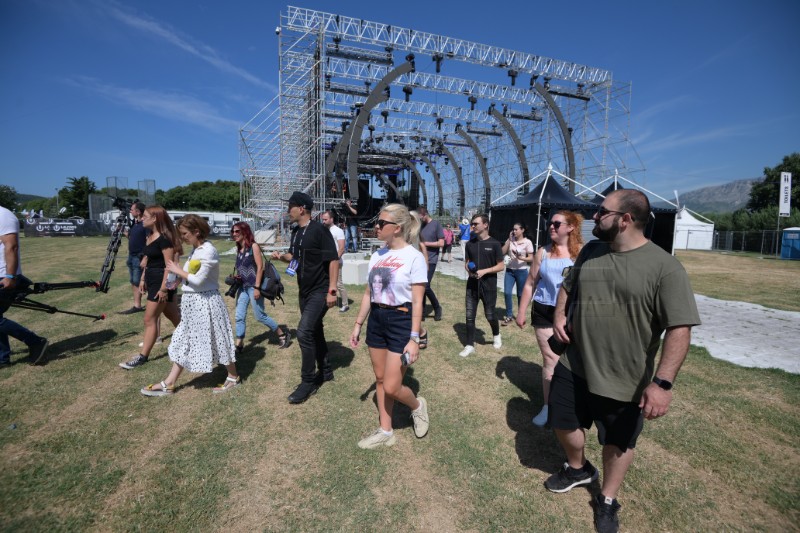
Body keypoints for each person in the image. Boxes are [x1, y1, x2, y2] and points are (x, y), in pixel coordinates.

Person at [546, 190, 700, 533]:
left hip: (625, 379)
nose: (594, 217)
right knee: (562, 420)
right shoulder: (591, 251)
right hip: (574, 365)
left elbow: (679, 329)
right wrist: (559, 315)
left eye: (602, 212)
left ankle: (607, 499)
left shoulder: (665, 268)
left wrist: (661, 384)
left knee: (618, 442)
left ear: (626, 219)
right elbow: (568, 286)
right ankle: (578, 468)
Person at [349, 204, 429, 449]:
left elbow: (418, 300)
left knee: (392, 385)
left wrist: (414, 337)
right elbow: (368, 294)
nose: (377, 227)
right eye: (378, 222)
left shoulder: (414, 257)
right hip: (377, 320)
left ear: (398, 228)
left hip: (401, 321)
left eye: (382, 223)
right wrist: (358, 324)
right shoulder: (377, 255)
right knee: (381, 379)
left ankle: (417, 406)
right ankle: (386, 431)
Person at [140, 215, 240, 396]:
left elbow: (200, 281)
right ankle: (169, 383)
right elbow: (190, 275)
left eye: (185, 233)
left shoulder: (208, 251)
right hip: (192, 304)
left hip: (206, 302)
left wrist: (178, 270)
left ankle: (233, 376)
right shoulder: (196, 250)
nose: (182, 237)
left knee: (218, 339)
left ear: (197, 232)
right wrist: (177, 278)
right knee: (184, 340)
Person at [516, 211, 583, 427]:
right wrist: (521, 310)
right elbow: (530, 283)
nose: (551, 227)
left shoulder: (582, 253)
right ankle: (548, 406)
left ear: (571, 227)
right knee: (551, 359)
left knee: (573, 361)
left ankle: (572, 403)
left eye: (556, 223)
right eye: (549, 223)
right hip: (544, 311)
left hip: (572, 313)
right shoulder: (542, 252)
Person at [272, 191, 339, 404]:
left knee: (303, 332)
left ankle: (308, 382)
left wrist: (332, 290)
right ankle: (326, 371)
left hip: (320, 291)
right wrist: (283, 258)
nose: (287, 211)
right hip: (305, 291)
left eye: (289, 207)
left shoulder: (320, 230)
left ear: (301, 208)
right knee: (315, 330)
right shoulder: (296, 232)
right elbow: (296, 259)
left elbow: (333, 260)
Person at [119, 205, 182, 369]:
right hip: (152, 280)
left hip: (162, 283)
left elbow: (169, 266)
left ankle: (142, 357)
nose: (142, 218)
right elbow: (148, 261)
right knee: (174, 316)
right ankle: (196, 341)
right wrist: (142, 279)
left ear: (155, 218)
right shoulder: (150, 236)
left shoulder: (164, 240)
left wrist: (163, 288)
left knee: (149, 319)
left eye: (145, 216)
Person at [231, 221, 291, 353]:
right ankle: (239, 345)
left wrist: (257, 287)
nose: (234, 234)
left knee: (259, 316)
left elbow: (260, 267)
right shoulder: (239, 249)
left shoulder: (254, 247)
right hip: (243, 287)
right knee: (239, 316)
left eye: (237, 231)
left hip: (253, 287)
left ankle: (282, 334)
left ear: (245, 232)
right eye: (233, 232)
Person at [0, 205, 48, 367]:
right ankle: (2, 358)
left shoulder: (4, 215)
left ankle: (35, 341)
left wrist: (10, 276)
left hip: (4, 275)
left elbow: (11, 246)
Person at [459, 214, 504, 357]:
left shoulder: (495, 244)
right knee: (469, 315)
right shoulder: (470, 244)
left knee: (490, 315)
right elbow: (466, 262)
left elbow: (501, 266)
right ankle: (469, 344)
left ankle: (496, 335)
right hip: (472, 285)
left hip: (489, 285)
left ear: (485, 225)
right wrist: (469, 271)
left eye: (475, 223)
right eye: (472, 224)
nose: (472, 226)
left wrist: (485, 271)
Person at [500, 222, 534, 325]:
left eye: (516, 229)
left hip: (521, 271)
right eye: (513, 229)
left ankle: (520, 315)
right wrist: (509, 240)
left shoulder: (527, 242)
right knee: (507, 293)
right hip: (510, 270)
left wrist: (521, 258)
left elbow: (531, 257)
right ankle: (509, 316)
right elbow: (502, 252)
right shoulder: (511, 240)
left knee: (520, 295)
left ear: (522, 230)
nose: (514, 231)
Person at [119, 201, 147, 314]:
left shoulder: (145, 225)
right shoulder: (135, 224)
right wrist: (125, 233)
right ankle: (137, 305)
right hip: (131, 255)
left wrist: (145, 257)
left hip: (139, 256)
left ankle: (140, 305)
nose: (130, 211)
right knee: (133, 281)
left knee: (138, 281)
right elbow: (133, 238)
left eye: (132, 209)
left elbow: (149, 241)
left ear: (138, 211)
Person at [417, 206, 444, 321]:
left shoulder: (436, 224)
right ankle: (421, 312)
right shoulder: (420, 226)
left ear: (425, 214)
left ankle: (437, 308)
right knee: (420, 286)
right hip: (419, 260)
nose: (419, 220)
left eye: (420, 217)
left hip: (431, 260)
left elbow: (441, 243)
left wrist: (426, 243)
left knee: (426, 286)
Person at [321, 210, 349, 312]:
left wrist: (335, 261)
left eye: (325, 219)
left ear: (331, 219)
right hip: (325, 261)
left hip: (336, 262)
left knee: (338, 284)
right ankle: (328, 301)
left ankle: (345, 304)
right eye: (322, 219)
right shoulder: (323, 230)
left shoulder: (338, 231)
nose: (323, 221)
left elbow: (341, 248)